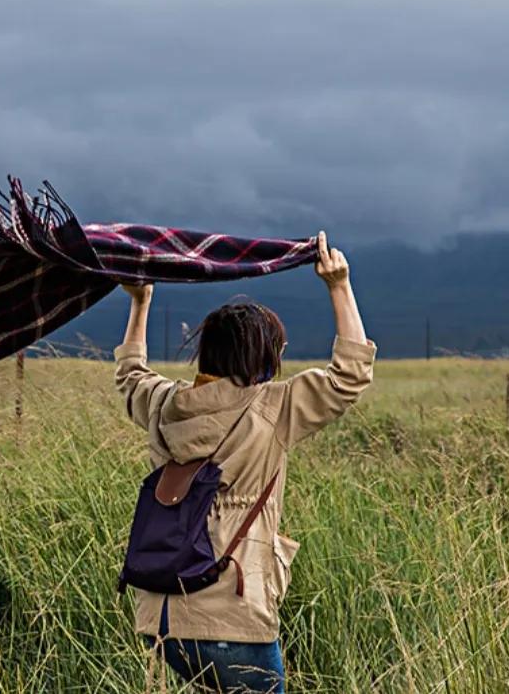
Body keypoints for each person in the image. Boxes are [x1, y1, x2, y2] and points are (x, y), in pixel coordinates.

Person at [113, 230, 377, 693]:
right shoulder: (271, 408)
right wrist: (339, 284)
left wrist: (140, 302)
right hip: (234, 618)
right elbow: (351, 375)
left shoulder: (162, 404)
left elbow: (131, 374)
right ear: (261, 356)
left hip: (164, 621)